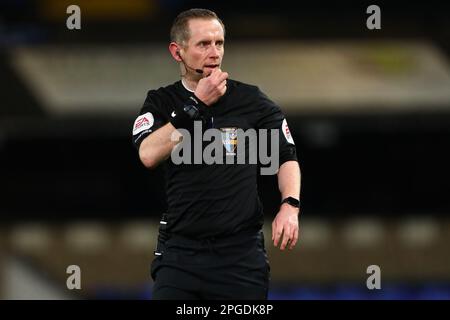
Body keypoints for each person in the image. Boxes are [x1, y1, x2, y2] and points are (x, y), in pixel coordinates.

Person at [132, 8, 301, 300]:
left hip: (240, 257)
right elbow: (147, 154)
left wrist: (290, 205)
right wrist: (195, 104)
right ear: (177, 51)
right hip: (180, 253)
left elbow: (286, 157)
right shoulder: (161, 101)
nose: (214, 52)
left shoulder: (251, 100)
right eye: (203, 44)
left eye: (219, 43)